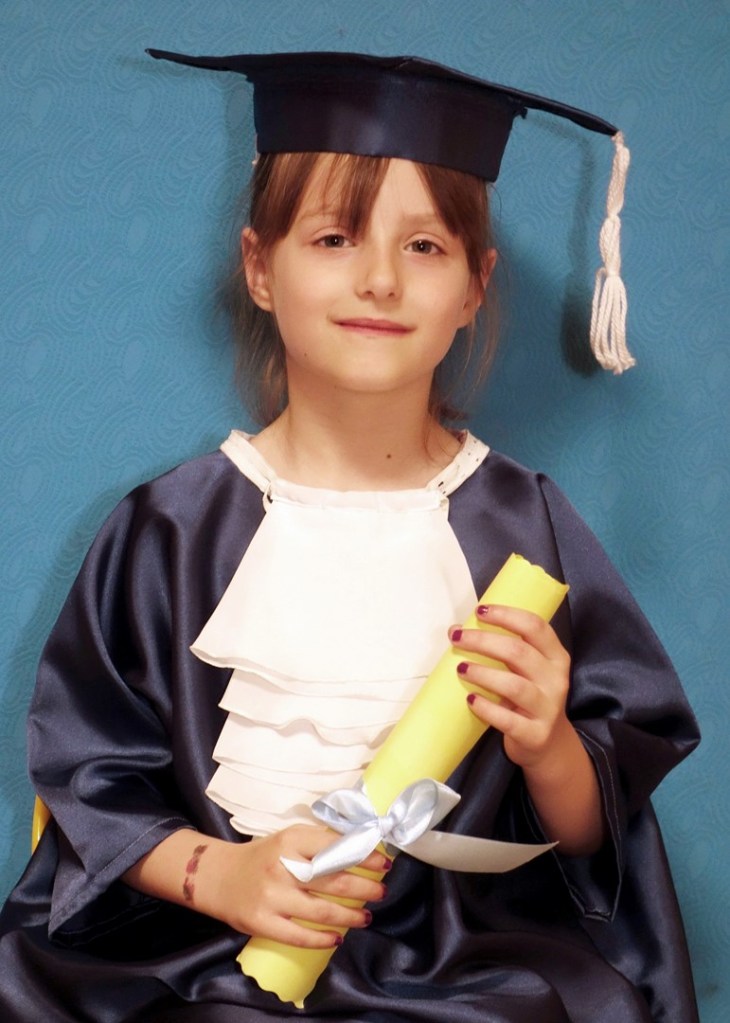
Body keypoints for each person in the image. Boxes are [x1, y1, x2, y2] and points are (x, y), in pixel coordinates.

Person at [0, 50, 699, 1022]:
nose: (379, 279)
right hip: (209, 947)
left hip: (463, 956)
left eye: (424, 246)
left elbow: (593, 837)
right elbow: (92, 781)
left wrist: (547, 743)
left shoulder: (525, 526)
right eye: (334, 237)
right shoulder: (168, 530)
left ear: (474, 285)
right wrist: (220, 875)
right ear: (260, 267)